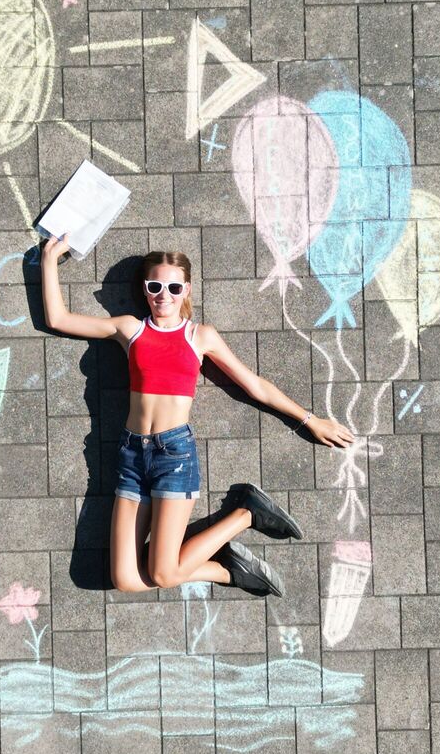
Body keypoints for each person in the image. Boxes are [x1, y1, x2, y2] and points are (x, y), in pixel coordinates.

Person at [41, 236, 354, 598]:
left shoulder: (199, 336)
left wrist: (310, 420)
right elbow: (58, 319)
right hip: (131, 455)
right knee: (125, 578)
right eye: (155, 286)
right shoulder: (130, 329)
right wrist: (49, 260)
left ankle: (246, 514)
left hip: (173, 456)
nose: (164, 295)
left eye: (174, 287)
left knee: (162, 573)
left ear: (186, 289)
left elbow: (254, 385)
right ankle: (227, 569)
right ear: (145, 289)